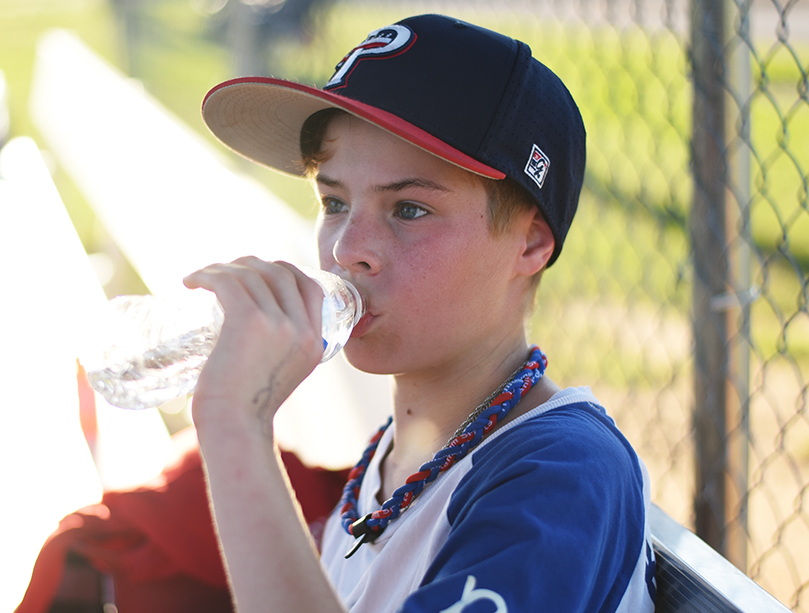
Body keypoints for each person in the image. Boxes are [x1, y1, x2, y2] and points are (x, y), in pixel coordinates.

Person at [186, 13, 656, 612]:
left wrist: (236, 426)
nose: (346, 249)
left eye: (408, 209)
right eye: (333, 201)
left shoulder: (561, 476)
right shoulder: (402, 448)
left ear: (530, 244)